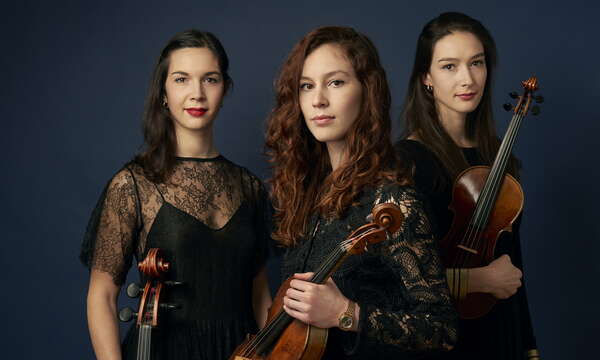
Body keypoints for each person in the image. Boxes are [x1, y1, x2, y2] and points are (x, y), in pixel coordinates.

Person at [265, 26, 457, 359]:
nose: (318, 99)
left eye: (335, 82)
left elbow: (442, 330)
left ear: (366, 91)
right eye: (306, 86)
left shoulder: (393, 200)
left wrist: (346, 313)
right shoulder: (306, 197)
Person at [80, 29, 272, 360]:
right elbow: (102, 296)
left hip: (242, 352)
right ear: (164, 93)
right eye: (182, 79)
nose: (197, 93)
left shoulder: (250, 187)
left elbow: (260, 296)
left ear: (224, 90)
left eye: (210, 79)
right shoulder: (133, 185)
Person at [396, 12, 539, 360]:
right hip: (439, 339)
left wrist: (528, 347)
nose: (467, 78)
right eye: (449, 66)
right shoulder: (406, 162)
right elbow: (393, 279)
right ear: (426, 77)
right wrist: (480, 282)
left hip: (499, 333)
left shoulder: (500, 159)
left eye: (476, 63)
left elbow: (511, 265)